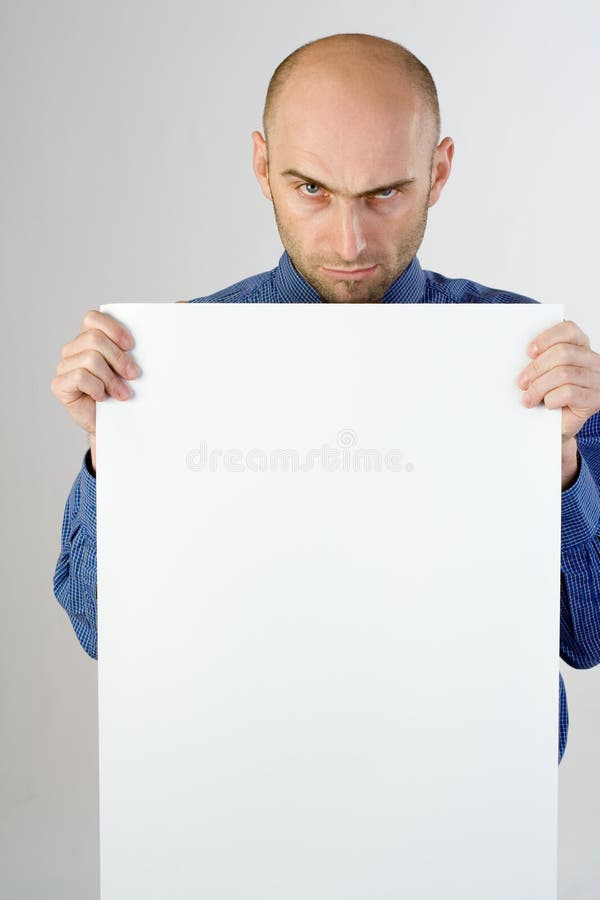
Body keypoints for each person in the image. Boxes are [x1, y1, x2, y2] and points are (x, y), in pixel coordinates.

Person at [51, 32, 600, 765]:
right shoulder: (178, 358)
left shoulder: (531, 356)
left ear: (438, 172)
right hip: (236, 808)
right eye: (311, 188)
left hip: (474, 819)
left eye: (385, 193)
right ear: (261, 167)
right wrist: (110, 454)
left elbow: (586, 638)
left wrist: (560, 463)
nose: (349, 241)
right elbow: (103, 636)